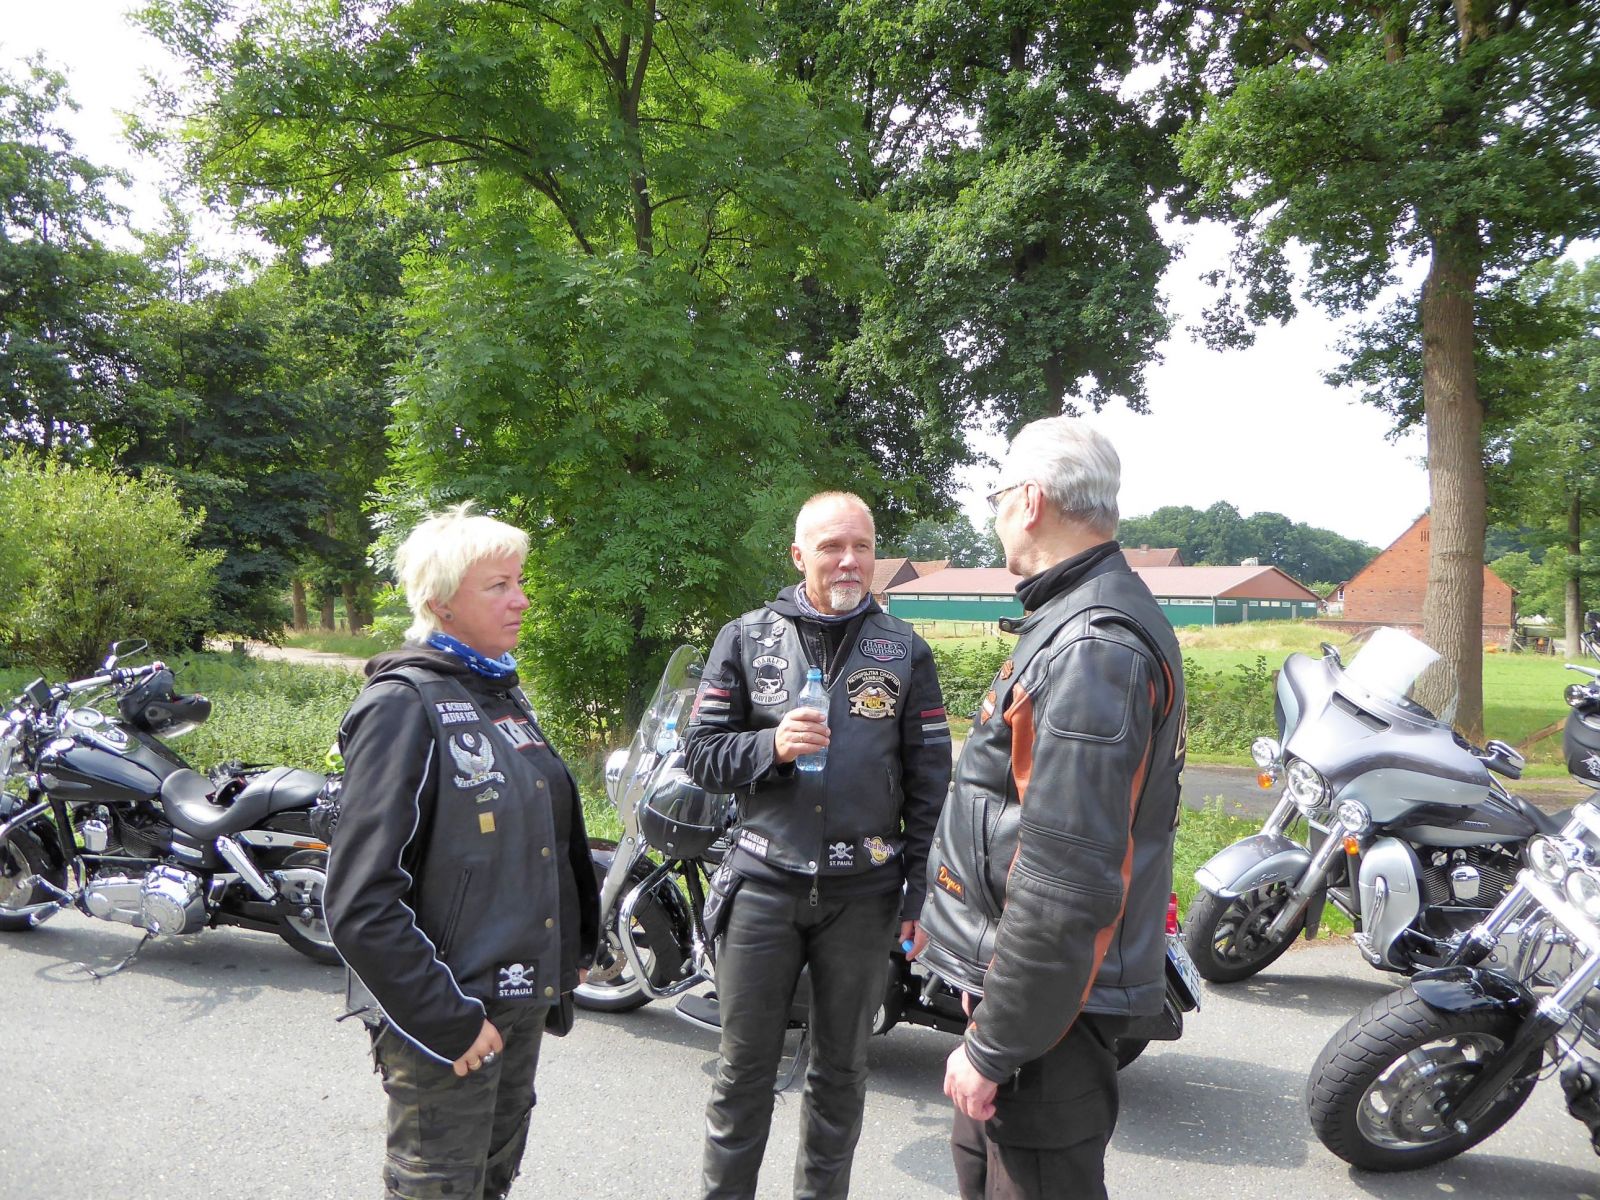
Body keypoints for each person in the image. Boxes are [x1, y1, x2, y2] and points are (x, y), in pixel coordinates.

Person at [915, 419, 1186, 1200]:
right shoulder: (1076, 618)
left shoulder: (1091, 645)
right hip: (1033, 1003)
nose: (996, 513)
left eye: (999, 496)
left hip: (1047, 1023)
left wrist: (995, 1045)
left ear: (1030, 501)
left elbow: (1067, 883)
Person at [682, 490, 953, 1200]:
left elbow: (931, 781)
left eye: (862, 546)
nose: (849, 561)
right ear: (799, 556)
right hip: (763, 886)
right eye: (832, 546)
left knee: (840, 1075)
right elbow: (701, 755)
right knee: (742, 1075)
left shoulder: (906, 649)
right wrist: (769, 746)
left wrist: (919, 894)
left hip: (864, 894)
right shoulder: (745, 638)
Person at [324, 503, 599, 1200]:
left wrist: (571, 948)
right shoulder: (402, 704)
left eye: (519, 580)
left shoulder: (496, 690)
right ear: (442, 602)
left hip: (515, 1002)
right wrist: (448, 1021)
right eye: (499, 585)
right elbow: (359, 902)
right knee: (439, 1189)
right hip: (451, 1014)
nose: (521, 599)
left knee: (491, 1181)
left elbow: (539, 838)